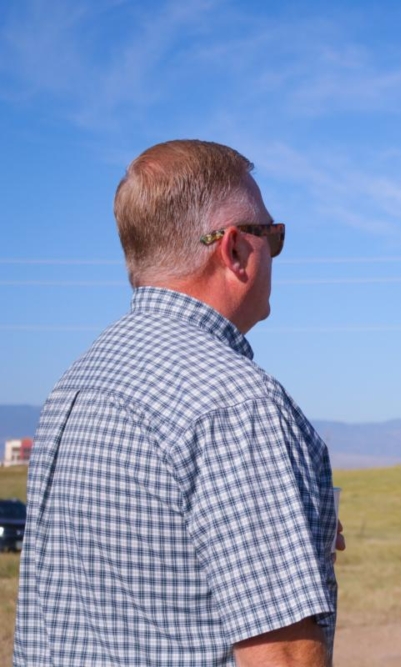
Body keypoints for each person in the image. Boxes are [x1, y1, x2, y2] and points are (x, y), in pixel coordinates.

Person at [15, 140, 344, 666]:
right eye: (273, 236)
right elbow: (280, 653)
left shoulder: (75, 383)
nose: (274, 254)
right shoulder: (236, 402)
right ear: (234, 250)